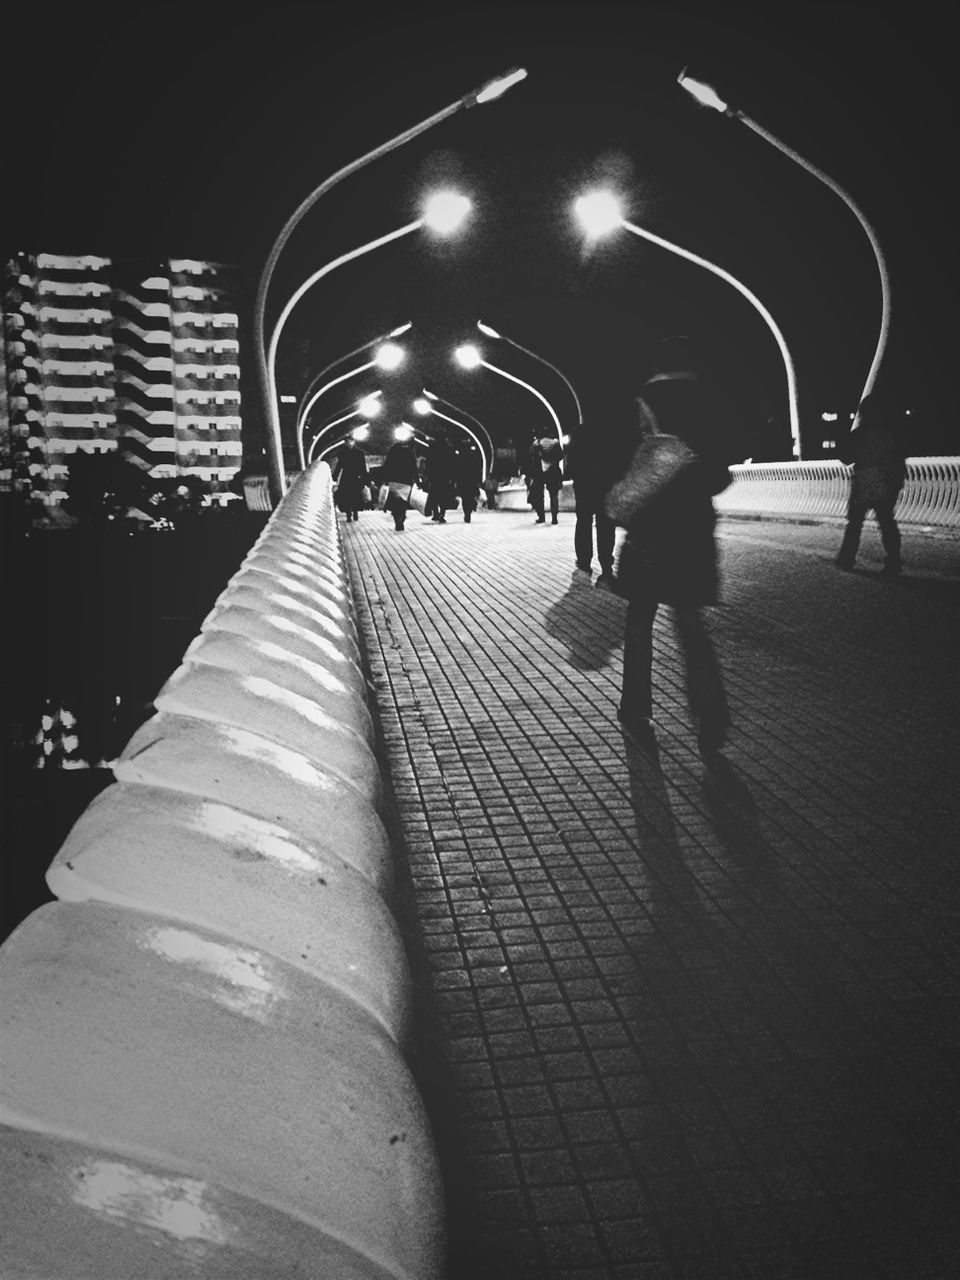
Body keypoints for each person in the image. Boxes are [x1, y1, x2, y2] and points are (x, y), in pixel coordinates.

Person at [609, 336, 733, 756]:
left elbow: (630, 460)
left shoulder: (646, 399)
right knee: (690, 622)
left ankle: (636, 704)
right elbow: (721, 475)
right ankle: (710, 711)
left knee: (640, 616)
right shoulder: (712, 401)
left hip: (651, 526)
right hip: (694, 525)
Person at [835, 392, 906, 576]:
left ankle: (847, 558)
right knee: (887, 523)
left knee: (855, 523)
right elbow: (898, 459)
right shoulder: (892, 434)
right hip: (885, 482)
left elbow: (845, 458)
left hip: (864, 482)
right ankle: (893, 561)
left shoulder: (859, 434)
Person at [564, 423, 617, 587]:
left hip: (584, 485)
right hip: (604, 485)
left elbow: (570, 461)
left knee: (583, 522)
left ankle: (584, 562)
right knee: (606, 525)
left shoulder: (578, 432)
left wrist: (577, 476)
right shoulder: (610, 432)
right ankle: (606, 567)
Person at [380, 432, 419, 531]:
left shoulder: (392, 450)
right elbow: (414, 468)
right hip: (406, 481)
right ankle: (401, 519)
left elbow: (387, 466)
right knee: (402, 503)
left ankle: (397, 520)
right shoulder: (410, 452)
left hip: (394, 480)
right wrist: (418, 482)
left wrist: (385, 480)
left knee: (395, 502)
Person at [330, 434, 368, 522]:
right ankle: (349, 514)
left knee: (354, 496)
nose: (349, 443)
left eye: (351, 441)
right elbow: (339, 466)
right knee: (348, 497)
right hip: (349, 477)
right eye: (348, 442)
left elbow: (363, 467)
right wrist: (334, 477)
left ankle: (354, 512)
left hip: (352, 477)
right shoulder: (345, 453)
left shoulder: (358, 453)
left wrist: (364, 479)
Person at [424, 429, 458, 524]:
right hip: (445, 477)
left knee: (434, 495)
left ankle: (435, 513)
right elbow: (453, 464)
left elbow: (428, 463)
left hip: (434, 476)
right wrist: (453, 477)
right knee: (444, 496)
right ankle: (442, 514)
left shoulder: (432, 448)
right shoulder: (449, 448)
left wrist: (427, 475)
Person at [455, 444, 482, 523]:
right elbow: (478, 471)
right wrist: (479, 481)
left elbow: (457, 471)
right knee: (470, 497)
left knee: (464, 498)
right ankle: (469, 512)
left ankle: (466, 512)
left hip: (463, 482)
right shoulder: (474, 458)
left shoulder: (460, 459)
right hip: (472, 481)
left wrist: (456, 481)